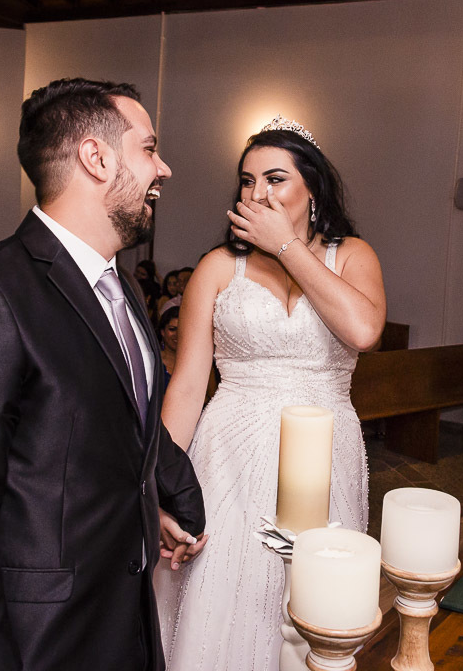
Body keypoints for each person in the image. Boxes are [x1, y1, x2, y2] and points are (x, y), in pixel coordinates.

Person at [0, 77, 206, 671]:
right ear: (96, 158)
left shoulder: (120, 288)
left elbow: (128, 422)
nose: (163, 168)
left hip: (122, 617)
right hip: (37, 639)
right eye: (148, 149)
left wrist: (167, 506)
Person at [157, 116, 386, 671]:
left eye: (275, 179)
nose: (257, 193)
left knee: (313, 606)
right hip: (228, 455)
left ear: (313, 188)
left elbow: (363, 331)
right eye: (247, 180)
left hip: (325, 455)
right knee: (224, 593)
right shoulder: (218, 267)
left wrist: (286, 247)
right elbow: (188, 386)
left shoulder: (352, 256)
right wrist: (162, 486)